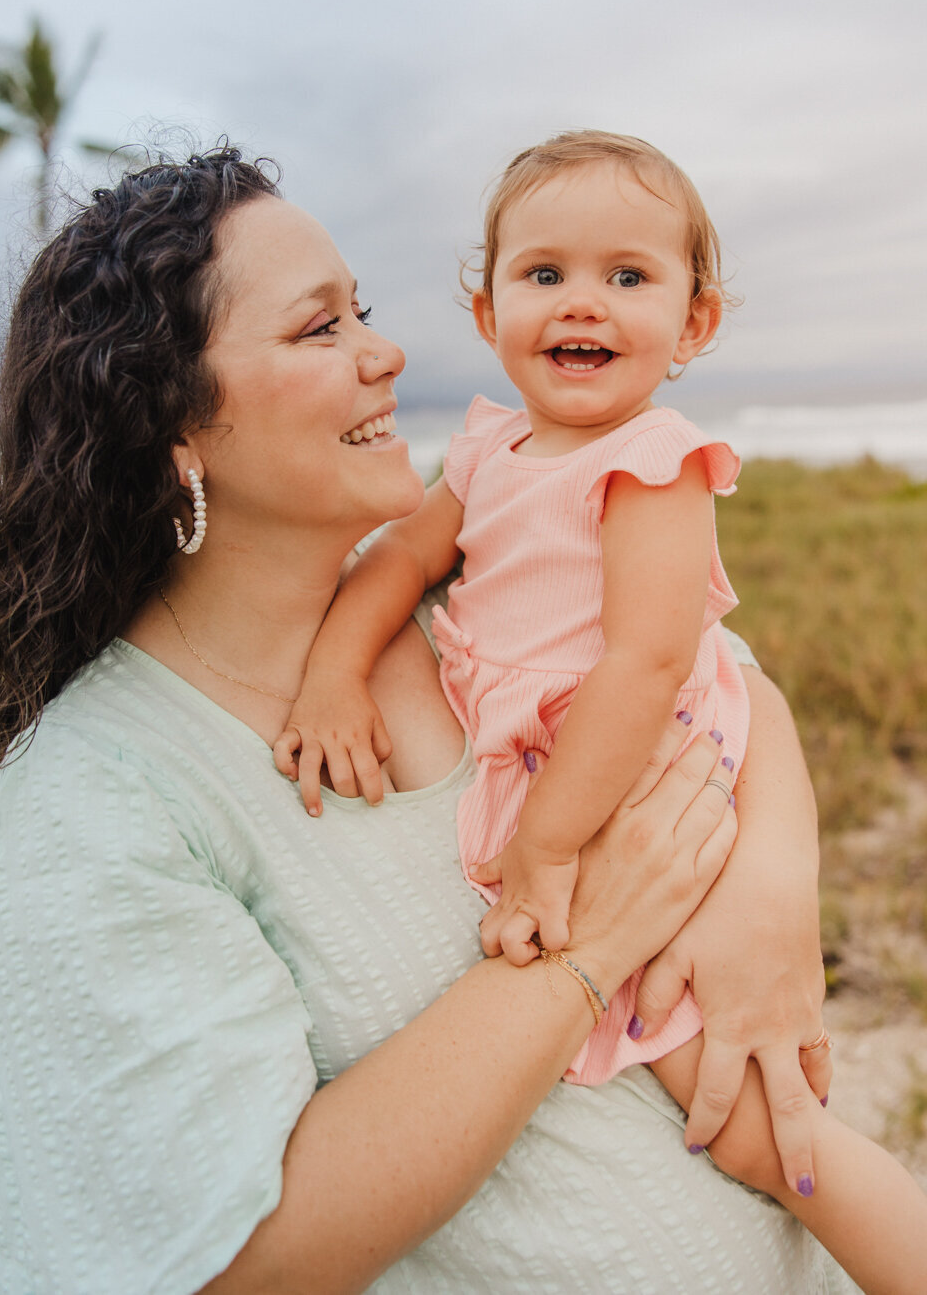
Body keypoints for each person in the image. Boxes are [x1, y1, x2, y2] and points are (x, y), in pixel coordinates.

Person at [0, 145, 872, 1294]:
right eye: (319, 329)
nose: (387, 353)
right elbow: (227, 1265)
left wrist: (773, 888)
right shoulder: (95, 800)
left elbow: (723, 677)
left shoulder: (461, 612)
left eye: (363, 311)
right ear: (171, 423)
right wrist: (582, 955)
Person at [273, 129, 927, 1286]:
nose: (585, 302)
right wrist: (331, 671)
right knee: (694, 1068)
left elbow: (643, 665)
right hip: (570, 774)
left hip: (637, 765)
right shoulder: (486, 450)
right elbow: (395, 563)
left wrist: (549, 845)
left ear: (695, 324)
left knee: (760, 1129)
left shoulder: (654, 460)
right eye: (545, 274)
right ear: (487, 313)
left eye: (628, 277)